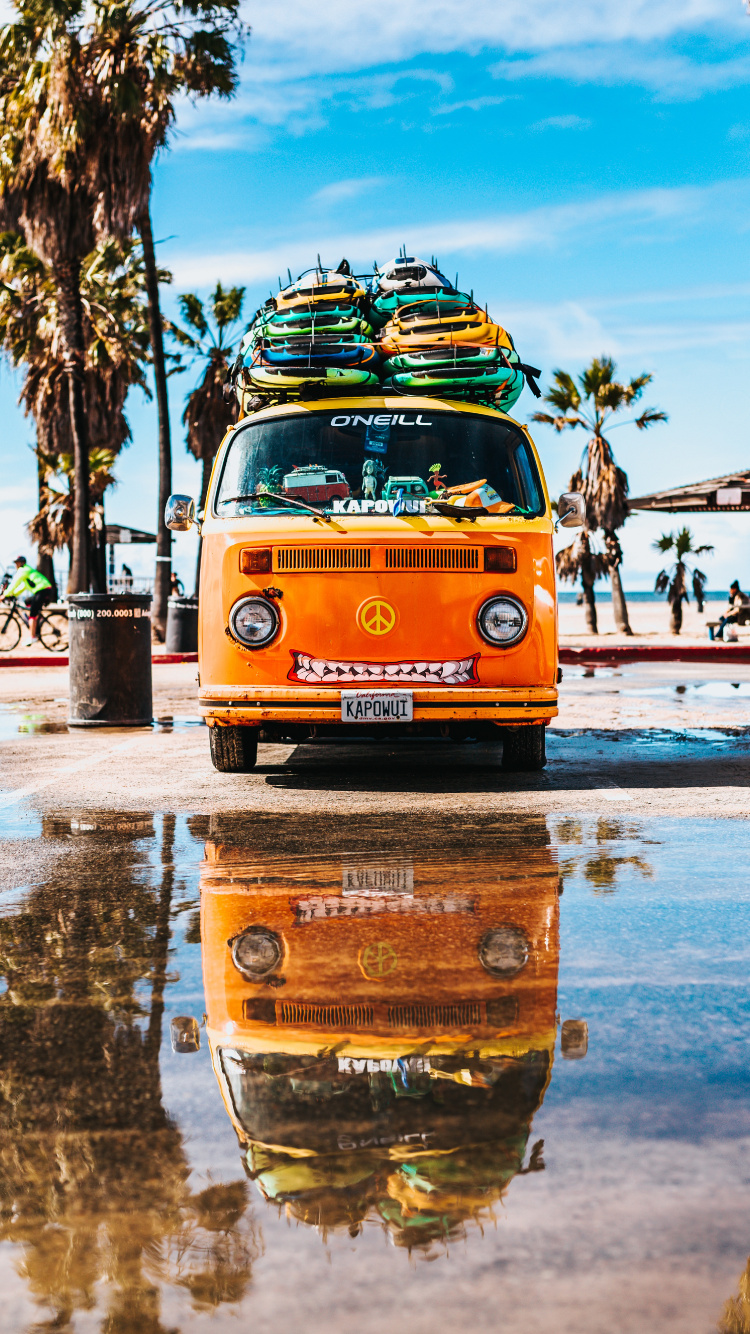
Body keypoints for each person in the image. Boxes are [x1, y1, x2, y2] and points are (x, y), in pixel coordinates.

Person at [1, 556, 53, 644]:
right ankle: (37, 619)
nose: (15, 565)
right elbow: (22, 587)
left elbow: (14, 583)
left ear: (21, 563)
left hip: (43, 590)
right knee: (27, 601)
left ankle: (33, 637)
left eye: (17, 563)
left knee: (32, 613)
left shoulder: (23, 570)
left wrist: (4, 595)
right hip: (43, 590)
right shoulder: (26, 572)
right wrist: (12, 594)